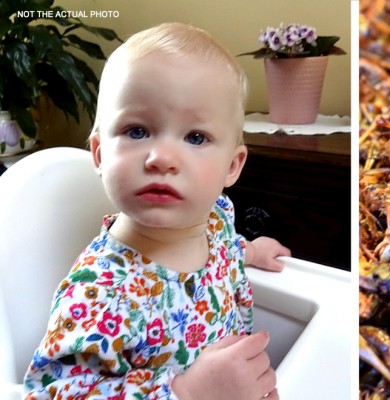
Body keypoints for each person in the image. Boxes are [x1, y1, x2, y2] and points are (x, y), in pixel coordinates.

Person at [23, 22, 291, 400]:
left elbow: (225, 248)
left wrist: (251, 251)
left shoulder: (213, 217)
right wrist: (186, 392)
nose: (162, 158)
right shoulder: (101, 295)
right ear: (99, 153)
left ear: (233, 166)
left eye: (195, 137)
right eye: (136, 131)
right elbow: (55, 393)